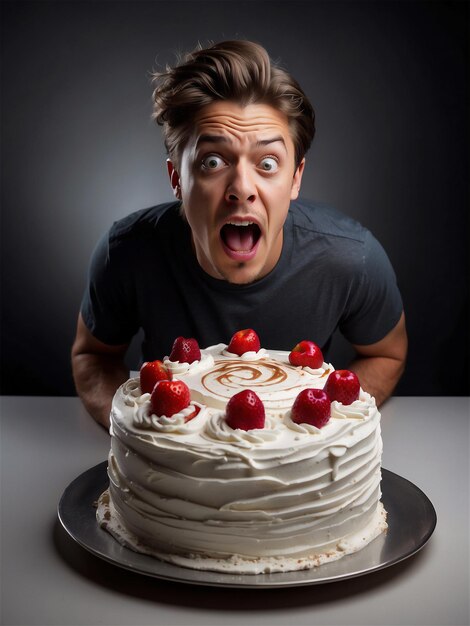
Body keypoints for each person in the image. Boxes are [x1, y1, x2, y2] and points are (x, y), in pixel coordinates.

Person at [72, 40, 407, 429]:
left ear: (295, 177)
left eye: (267, 163)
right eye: (212, 161)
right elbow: (92, 356)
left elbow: (388, 353)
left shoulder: (352, 257)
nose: (242, 187)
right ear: (177, 178)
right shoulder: (126, 251)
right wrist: (138, 434)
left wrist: (318, 432)